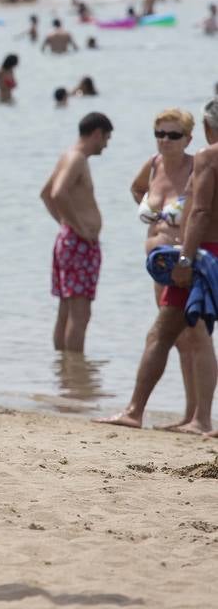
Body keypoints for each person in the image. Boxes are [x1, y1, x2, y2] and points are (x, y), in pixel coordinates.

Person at [99, 105, 216, 435]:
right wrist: (151, 213)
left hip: (186, 258)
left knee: (186, 334)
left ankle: (192, 414)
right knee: (180, 337)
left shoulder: (200, 163)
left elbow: (202, 211)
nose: (165, 141)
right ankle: (191, 414)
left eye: (173, 135)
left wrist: (184, 249)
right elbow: (137, 189)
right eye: (159, 134)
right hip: (161, 266)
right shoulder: (152, 166)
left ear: (191, 136)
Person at [40, 112, 113, 353]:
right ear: (96, 133)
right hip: (78, 243)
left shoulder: (68, 156)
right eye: (106, 138)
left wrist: (65, 225)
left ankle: (64, 373)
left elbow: (46, 193)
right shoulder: (77, 159)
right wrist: (79, 229)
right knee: (80, 314)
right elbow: (57, 193)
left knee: (67, 310)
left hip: (70, 241)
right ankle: (75, 379)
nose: (106, 144)